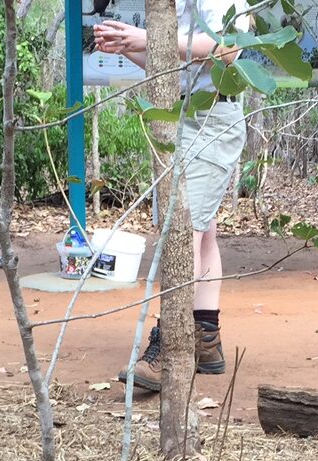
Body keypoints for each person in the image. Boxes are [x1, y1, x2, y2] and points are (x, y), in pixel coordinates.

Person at [94, 2, 249, 393]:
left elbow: (228, 49)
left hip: (213, 118)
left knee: (183, 233)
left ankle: (171, 347)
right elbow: (170, 64)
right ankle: (205, 338)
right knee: (204, 230)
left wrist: (146, 37)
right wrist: (127, 46)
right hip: (183, 117)